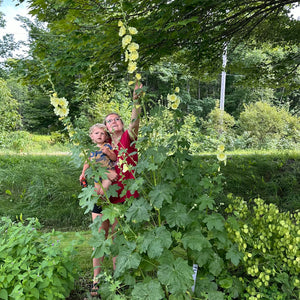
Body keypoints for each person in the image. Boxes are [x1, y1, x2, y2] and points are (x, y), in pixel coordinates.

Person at [87, 82, 142, 297]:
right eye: (109, 121)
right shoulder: (104, 147)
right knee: (100, 239)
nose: (114, 122)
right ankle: (96, 280)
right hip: (103, 197)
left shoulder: (129, 138)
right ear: (106, 129)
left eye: (116, 119)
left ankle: (118, 279)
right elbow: (91, 166)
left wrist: (136, 101)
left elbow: (135, 121)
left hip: (122, 197)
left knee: (117, 238)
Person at [79, 123, 117, 197]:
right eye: (96, 133)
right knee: (97, 193)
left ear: (106, 137)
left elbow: (114, 158)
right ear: (92, 136)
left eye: (102, 133)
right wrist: (83, 173)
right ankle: (102, 206)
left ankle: (108, 205)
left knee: (103, 193)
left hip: (107, 174)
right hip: (96, 175)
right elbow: (87, 161)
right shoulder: (91, 149)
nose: (99, 135)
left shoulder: (107, 146)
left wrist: (108, 152)